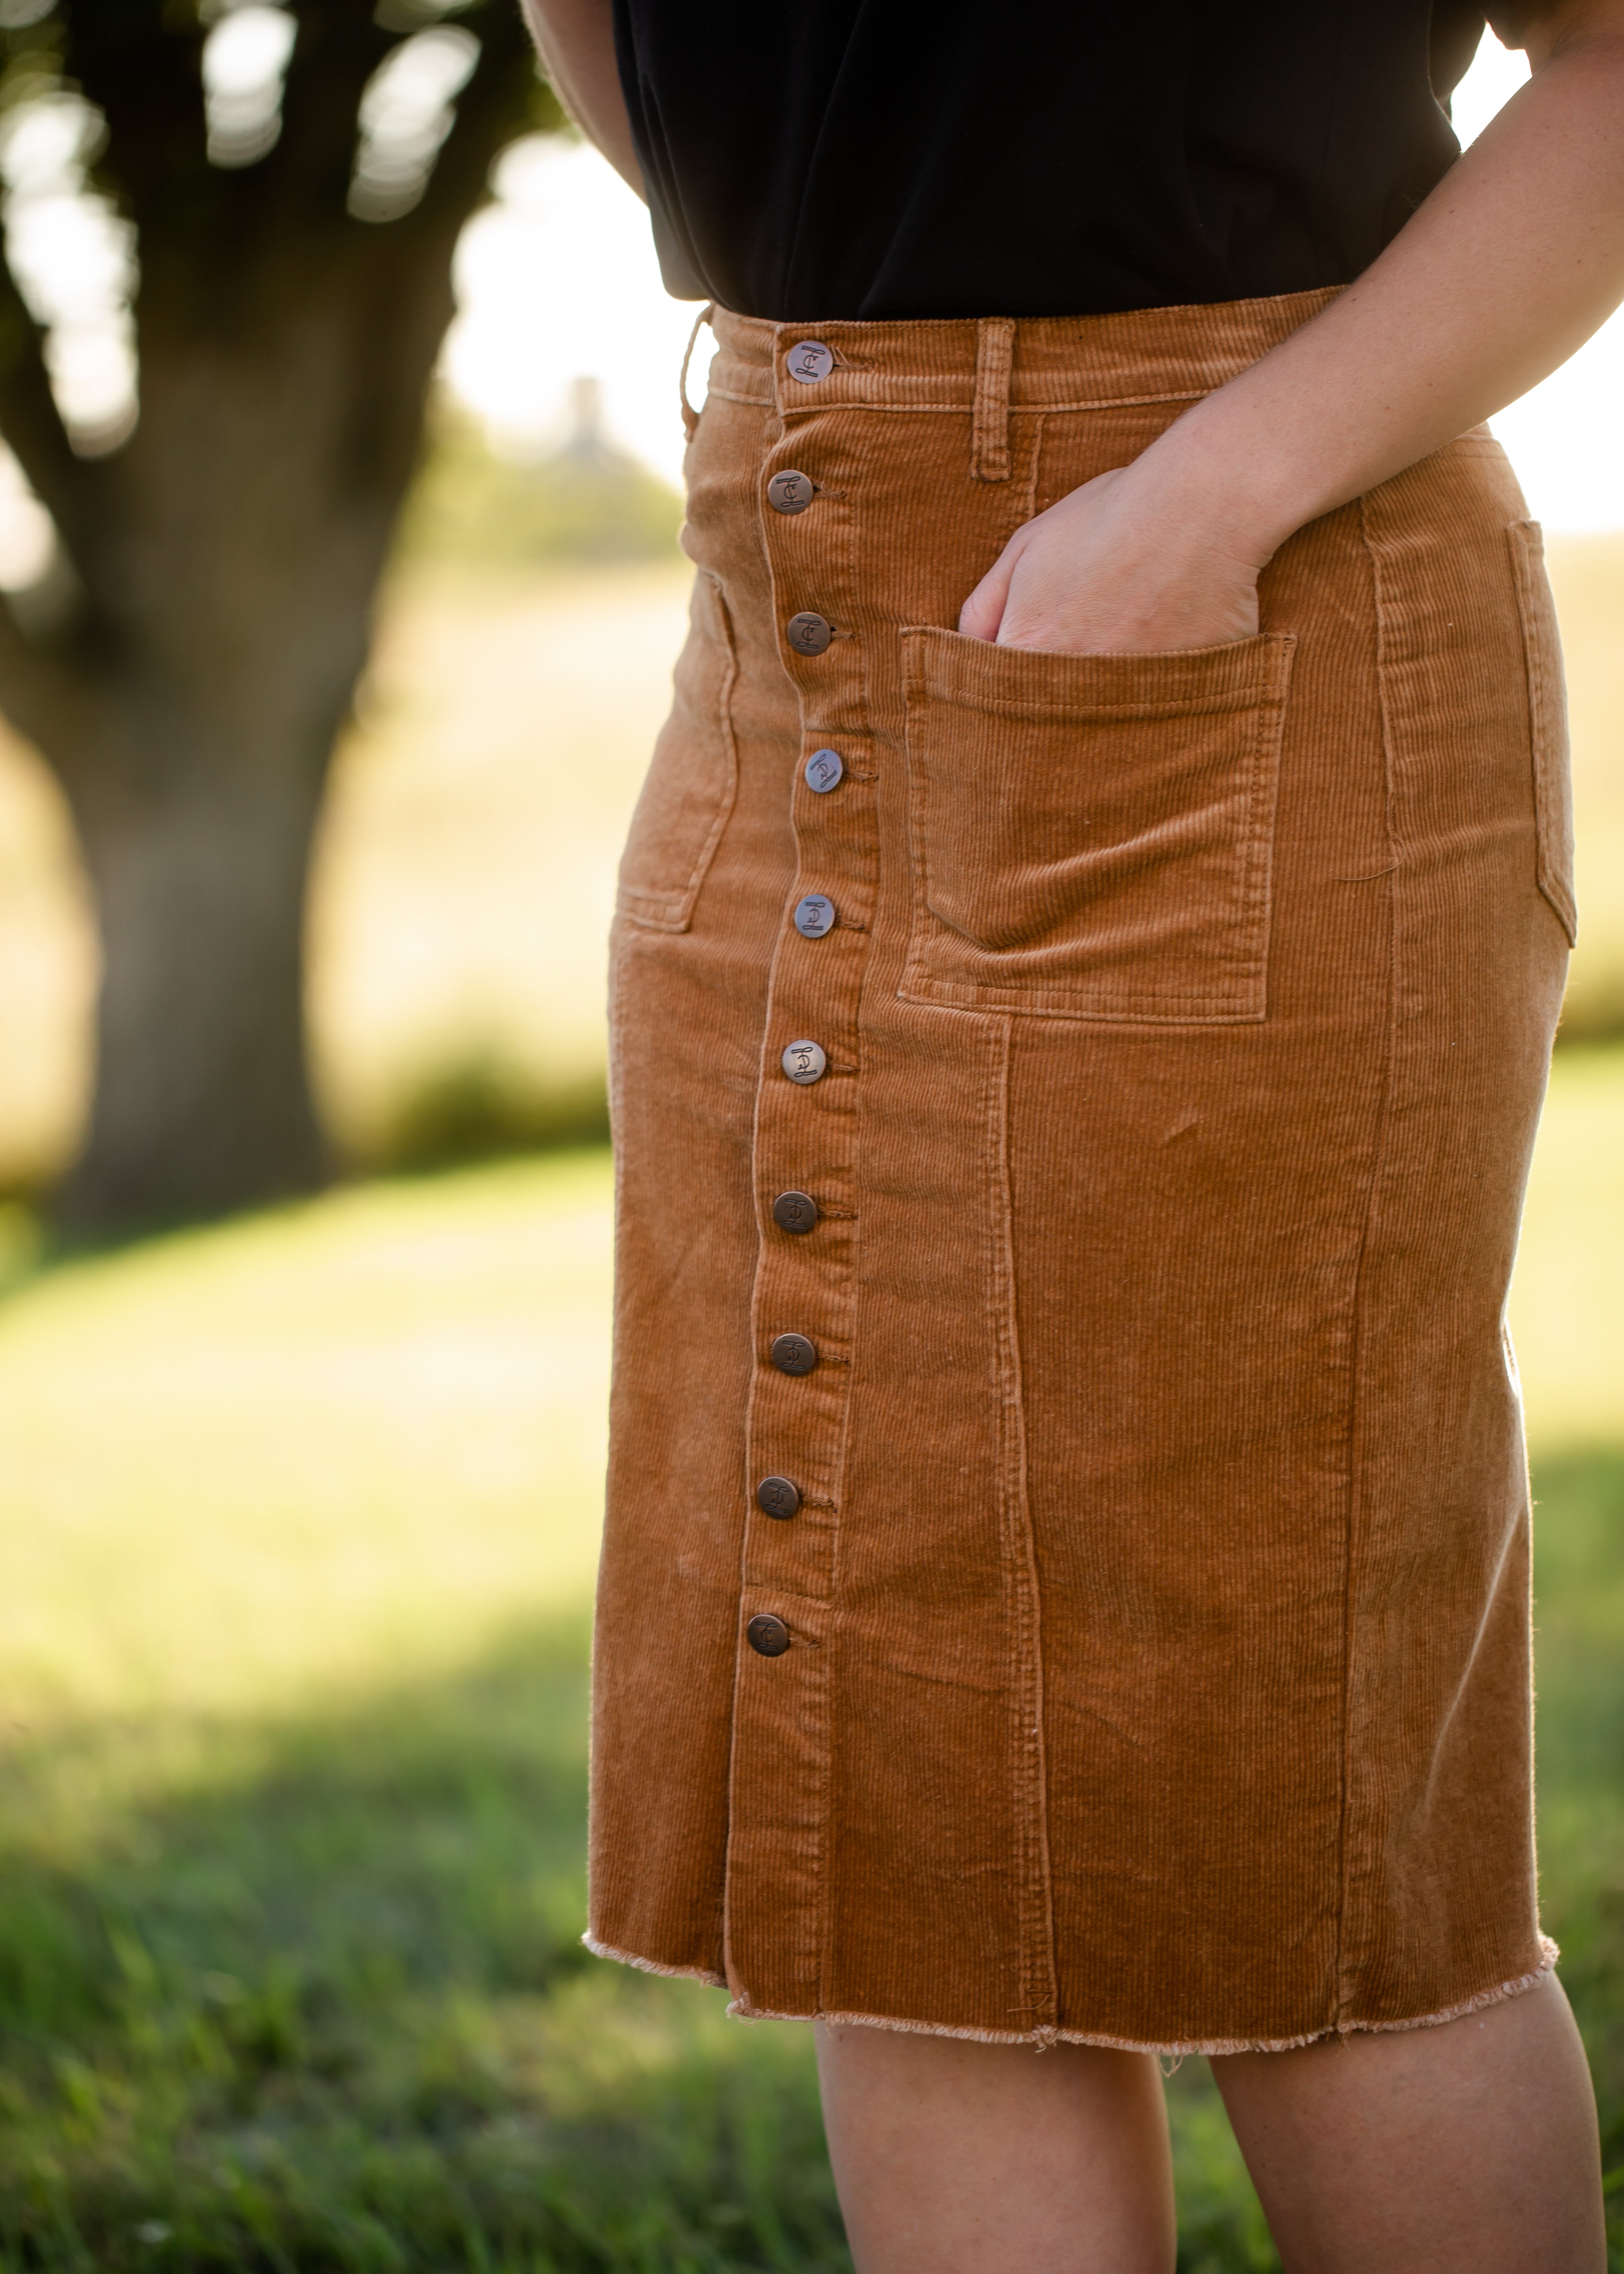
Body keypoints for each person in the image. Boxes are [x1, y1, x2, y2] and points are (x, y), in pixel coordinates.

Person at [520, 3, 1623, 2266]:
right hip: (788, 608)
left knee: (1308, 1829)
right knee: (891, 1811)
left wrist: (1201, 481)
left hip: (1247, 581)